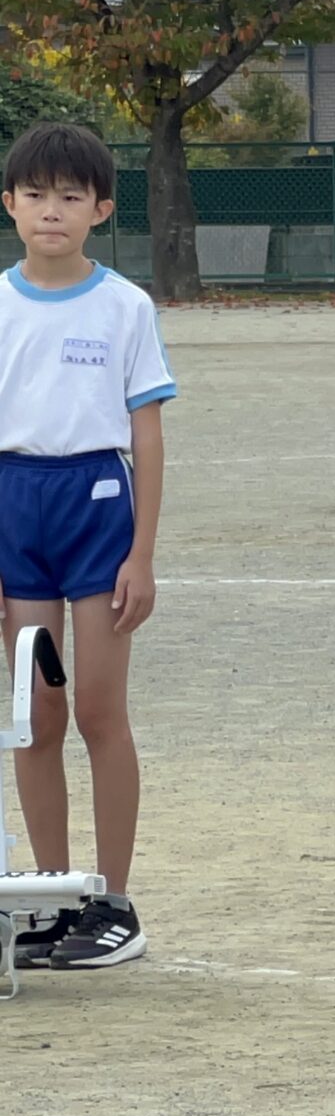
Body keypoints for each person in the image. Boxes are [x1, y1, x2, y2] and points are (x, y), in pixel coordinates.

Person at [0, 121, 175, 971]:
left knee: (100, 710)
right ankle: (49, 896)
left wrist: (141, 555)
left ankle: (113, 903)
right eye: (35, 195)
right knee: (34, 717)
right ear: (10, 204)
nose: (52, 211)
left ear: (101, 209)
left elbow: (147, 437)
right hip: (15, 507)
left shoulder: (125, 307)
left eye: (71, 197)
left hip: (97, 507)